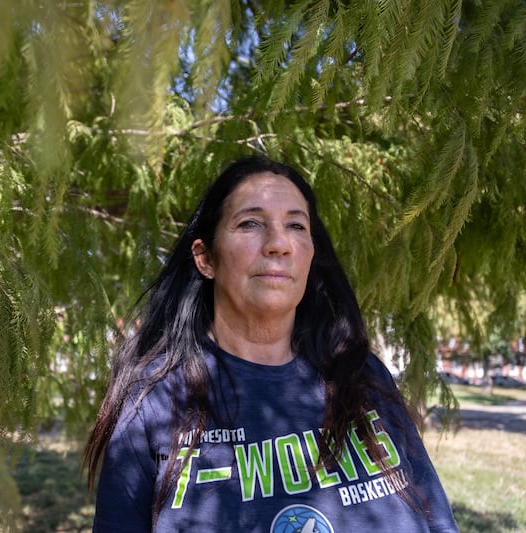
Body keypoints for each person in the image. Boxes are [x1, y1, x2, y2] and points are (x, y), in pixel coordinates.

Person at [83, 156, 459, 532]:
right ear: (206, 258)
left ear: (311, 254)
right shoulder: (154, 400)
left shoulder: (360, 374)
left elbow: (438, 520)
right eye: (250, 223)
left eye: (296, 225)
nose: (279, 244)